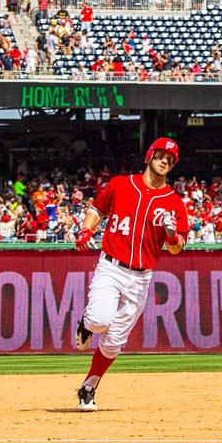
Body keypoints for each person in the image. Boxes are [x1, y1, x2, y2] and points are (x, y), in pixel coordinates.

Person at [70, 137, 190, 411]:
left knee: (113, 344)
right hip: (111, 266)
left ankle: (88, 388)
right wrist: (86, 229)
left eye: (170, 160)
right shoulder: (121, 184)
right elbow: (96, 209)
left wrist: (171, 235)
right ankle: (87, 325)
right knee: (100, 320)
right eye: (161, 156)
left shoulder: (174, 202)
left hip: (141, 277)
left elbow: (176, 249)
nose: (165, 161)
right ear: (149, 156)